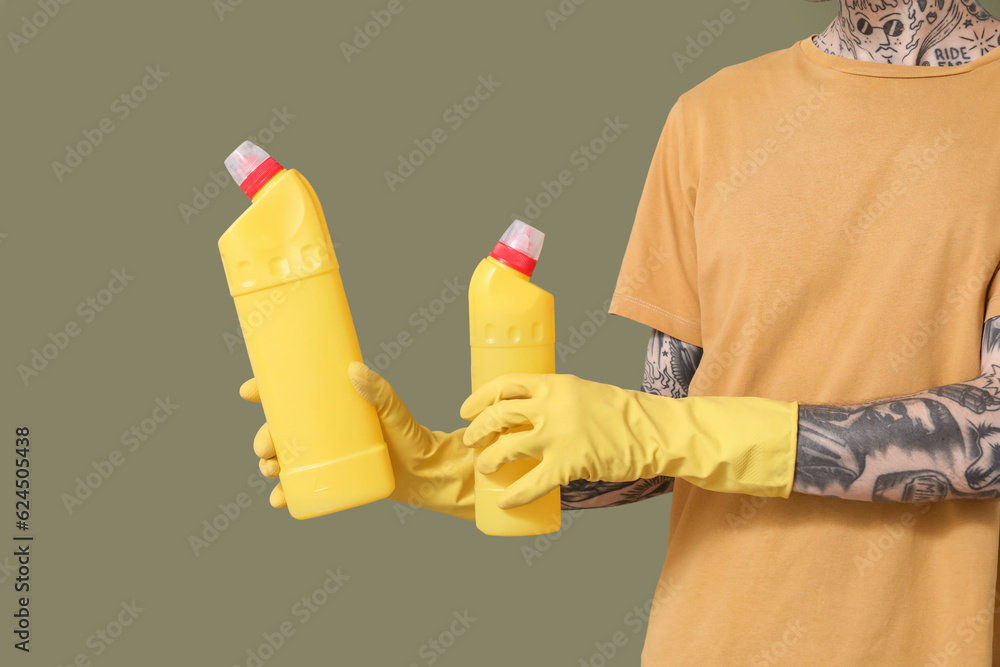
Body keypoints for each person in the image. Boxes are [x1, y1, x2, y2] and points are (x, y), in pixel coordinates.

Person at [240, 1, 1000, 662]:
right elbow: (654, 442)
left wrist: (669, 430)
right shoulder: (710, 119)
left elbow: (992, 436)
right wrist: (452, 469)